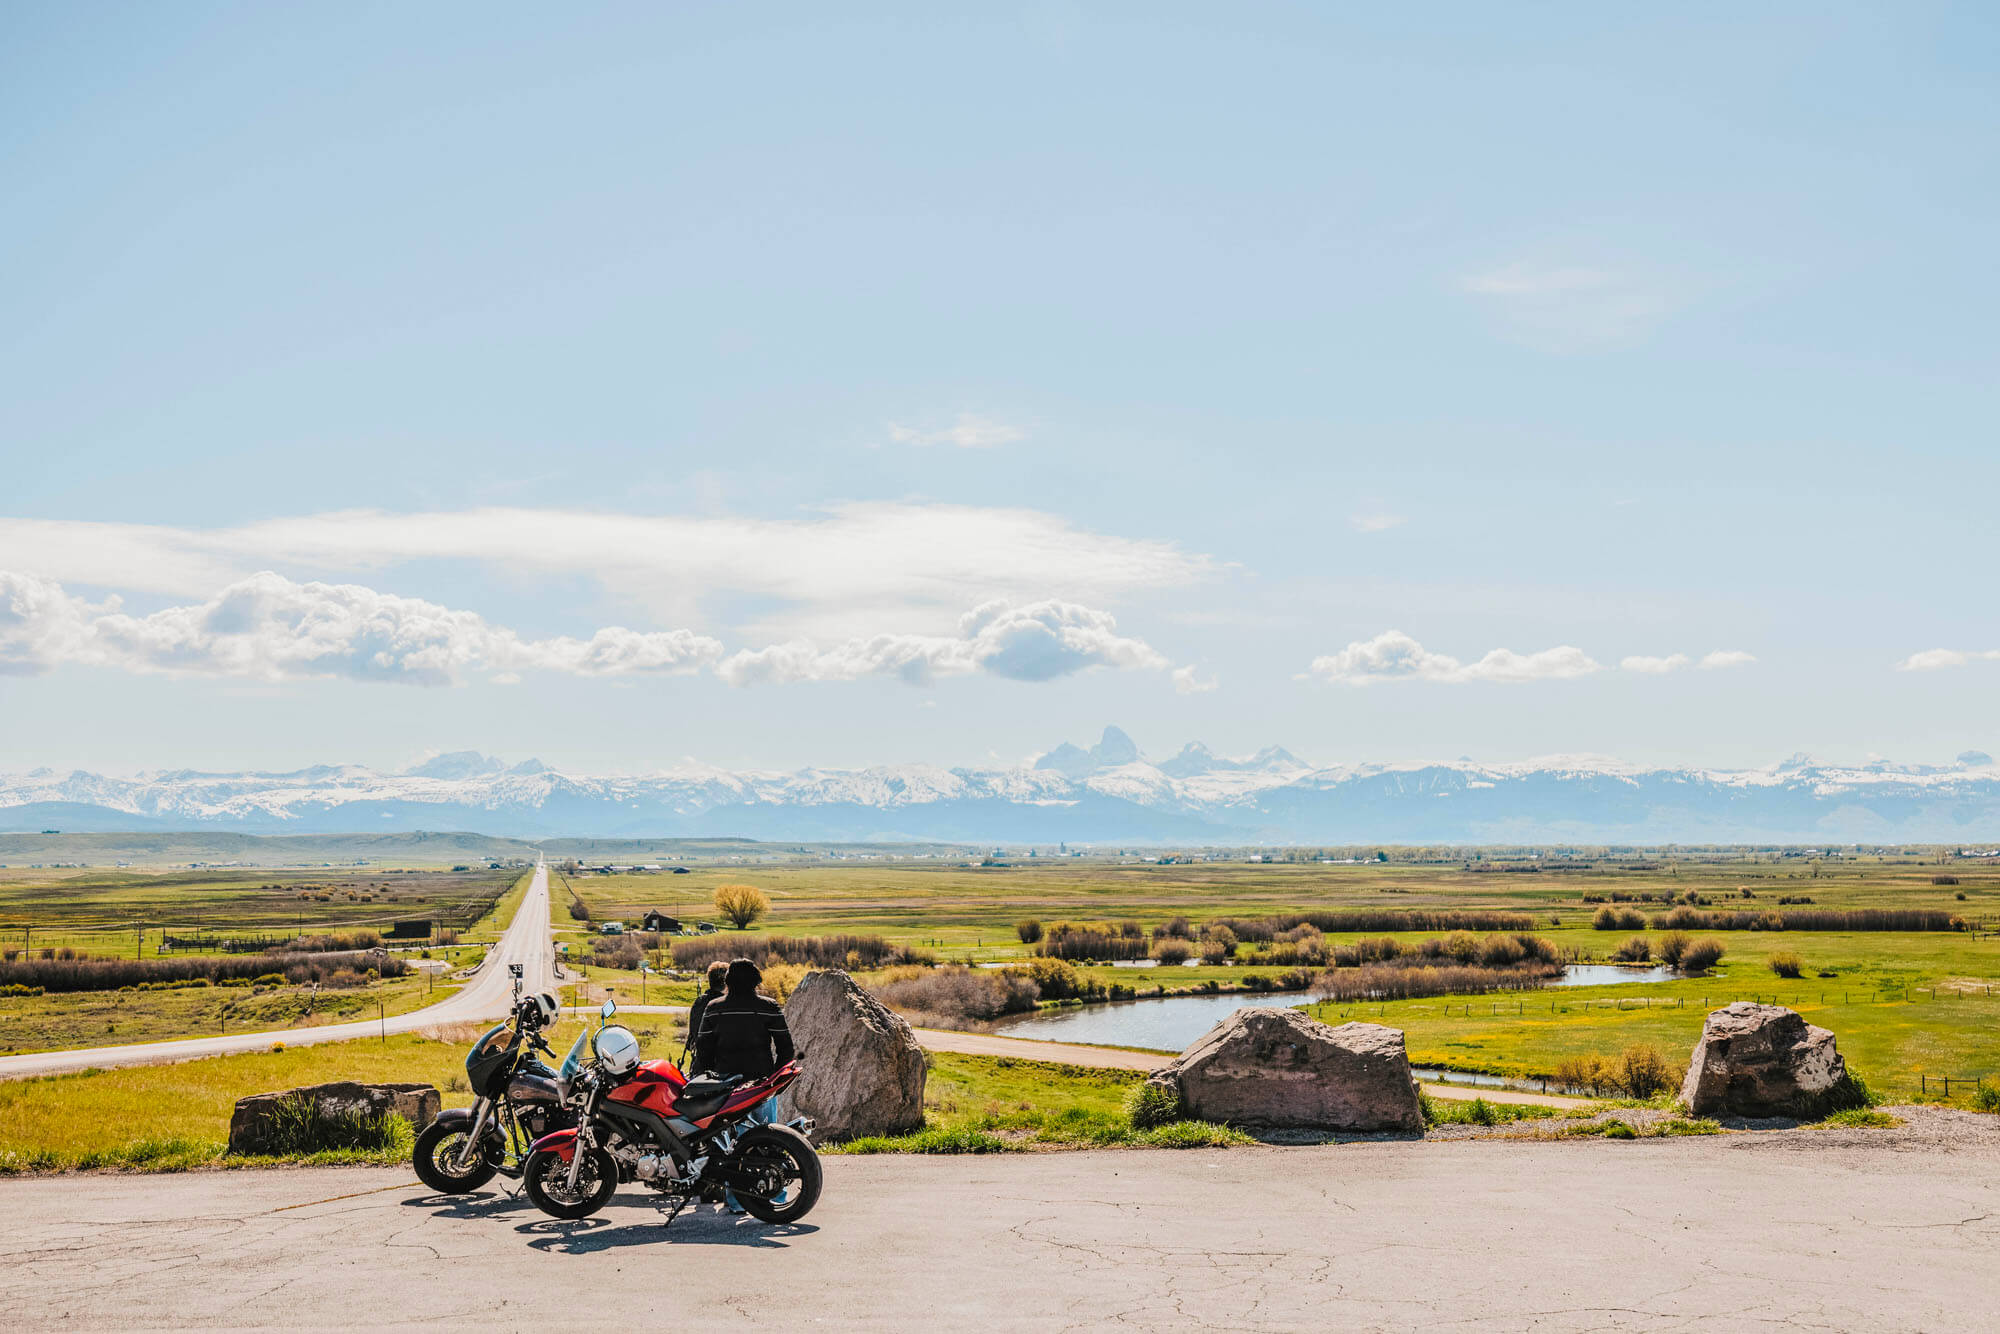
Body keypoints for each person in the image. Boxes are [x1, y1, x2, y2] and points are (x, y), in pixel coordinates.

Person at [692, 958, 795, 1213]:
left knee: (732, 1146)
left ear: (727, 982)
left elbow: (703, 1051)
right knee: (769, 1141)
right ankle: (773, 1195)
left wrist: (700, 1083)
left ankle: (737, 1201)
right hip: (761, 1086)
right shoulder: (768, 1007)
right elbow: (786, 1049)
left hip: (727, 1090)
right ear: (756, 981)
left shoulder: (714, 1008)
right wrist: (776, 1082)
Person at [681, 961, 727, 1066]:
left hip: (699, 1060)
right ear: (726, 983)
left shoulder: (700, 1001)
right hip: (719, 1062)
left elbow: (693, 1032)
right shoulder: (724, 1004)